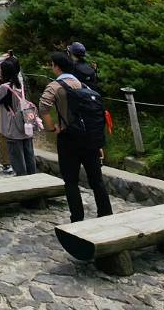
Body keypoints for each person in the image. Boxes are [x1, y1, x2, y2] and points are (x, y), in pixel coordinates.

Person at [40, 50, 112, 223]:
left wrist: (51, 128)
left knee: (71, 181)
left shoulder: (55, 86)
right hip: (90, 139)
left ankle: (77, 218)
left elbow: (43, 107)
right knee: (96, 181)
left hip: (68, 139)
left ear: (56, 66)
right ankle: (106, 215)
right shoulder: (81, 84)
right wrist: (97, 142)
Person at [0, 56, 39, 176]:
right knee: (29, 154)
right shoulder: (20, 85)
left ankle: (22, 181)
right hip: (25, 125)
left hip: (13, 129)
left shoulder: (4, 87)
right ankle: (33, 179)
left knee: (17, 158)